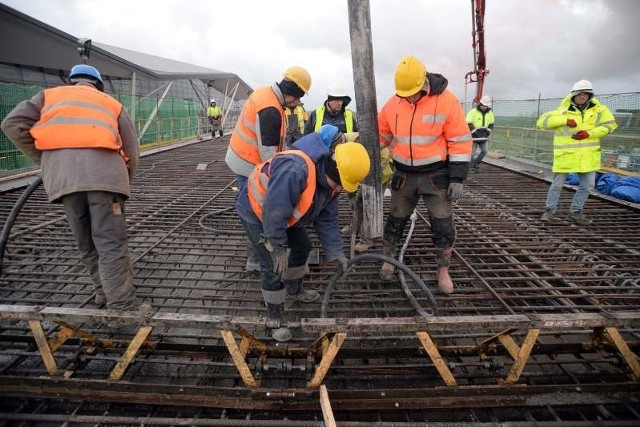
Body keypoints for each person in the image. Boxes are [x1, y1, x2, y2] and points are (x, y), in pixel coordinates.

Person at [1, 64, 151, 313]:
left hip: (64, 181)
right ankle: (122, 306)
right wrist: (124, 179)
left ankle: (103, 294)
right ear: (98, 84)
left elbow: (12, 124)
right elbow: (131, 149)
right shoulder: (110, 103)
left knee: (86, 242)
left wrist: (47, 160)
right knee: (110, 242)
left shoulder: (47, 97)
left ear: (72, 81)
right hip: (105, 180)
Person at [236, 125, 370, 341]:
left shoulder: (330, 186)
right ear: (331, 169)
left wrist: (336, 252)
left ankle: (294, 290)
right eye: (338, 184)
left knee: (302, 247)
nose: (338, 190)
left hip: (281, 213)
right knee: (271, 265)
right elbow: (274, 212)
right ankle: (274, 319)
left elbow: (327, 220)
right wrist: (277, 247)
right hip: (256, 210)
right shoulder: (295, 171)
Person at [377, 56, 472, 294]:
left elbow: (459, 141)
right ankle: (388, 260)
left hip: (436, 175)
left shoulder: (447, 102)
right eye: (404, 94)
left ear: (424, 84)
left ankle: (443, 270)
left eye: (413, 92)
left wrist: (458, 178)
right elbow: (382, 136)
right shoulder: (393, 104)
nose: (408, 97)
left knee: (442, 224)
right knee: (395, 219)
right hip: (404, 174)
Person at [225, 66, 312, 272]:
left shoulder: (266, 94)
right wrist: (280, 183)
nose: (297, 103)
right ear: (293, 92)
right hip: (249, 164)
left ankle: (256, 257)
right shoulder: (270, 109)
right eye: (298, 98)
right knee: (258, 210)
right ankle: (258, 260)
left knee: (254, 208)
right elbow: (268, 155)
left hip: (243, 157)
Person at [537, 79, 617, 225]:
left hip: (587, 156)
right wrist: (564, 120)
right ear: (573, 95)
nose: (582, 96)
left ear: (590, 96)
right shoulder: (562, 111)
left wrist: (589, 134)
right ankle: (549, 211)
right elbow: (541, 122)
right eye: (580, 93)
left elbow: (610, 126)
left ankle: (575, 212)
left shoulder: (600, 111)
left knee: (587, 186)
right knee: (556, 185)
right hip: (566, 157)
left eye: (586, 94)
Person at [466, 95, 495, 173]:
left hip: (484, 137)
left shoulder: (490, 113)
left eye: (486, 106)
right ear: (480, 104)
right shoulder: (472, 112)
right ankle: (470, 167)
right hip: (473, 137)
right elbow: (468, 123)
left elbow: (491, 124)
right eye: (483, 105)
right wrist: (475, 133)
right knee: (472, 154)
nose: (484, 107)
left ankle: (475, 163)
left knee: (484, 151)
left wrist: (487, 133)